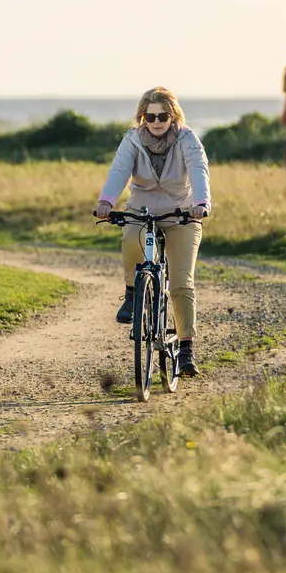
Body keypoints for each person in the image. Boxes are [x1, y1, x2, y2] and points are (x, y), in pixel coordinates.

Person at [94, 87, 211, 378]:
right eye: (151, 116)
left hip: (181, 214)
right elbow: (119, 170)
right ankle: (133, 293)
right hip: (142, 211)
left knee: (182, 284)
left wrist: (201, 203)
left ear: (173, 116)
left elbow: (198, 170)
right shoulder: (132, 139)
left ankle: (186, 348)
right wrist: (107, 201)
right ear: (142, 117)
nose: (157, 121)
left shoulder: (187, 139)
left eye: (163, 116)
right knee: (130, 238)